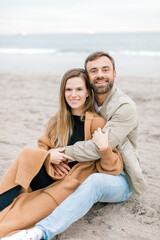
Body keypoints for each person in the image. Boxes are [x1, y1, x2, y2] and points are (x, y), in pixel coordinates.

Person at [1, 51, 148, 240]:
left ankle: (39, 232)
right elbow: (43, 145)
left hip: (119, 175)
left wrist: (60, 154)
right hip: (65, 171)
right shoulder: (65, 116)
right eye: (94, 71)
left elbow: (100, 152)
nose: (100, 74)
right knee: (28, 156)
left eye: (105, 69)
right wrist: (48, 157)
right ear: (89, 79)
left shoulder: (123, 107)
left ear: (114, 74)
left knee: (93, 183)